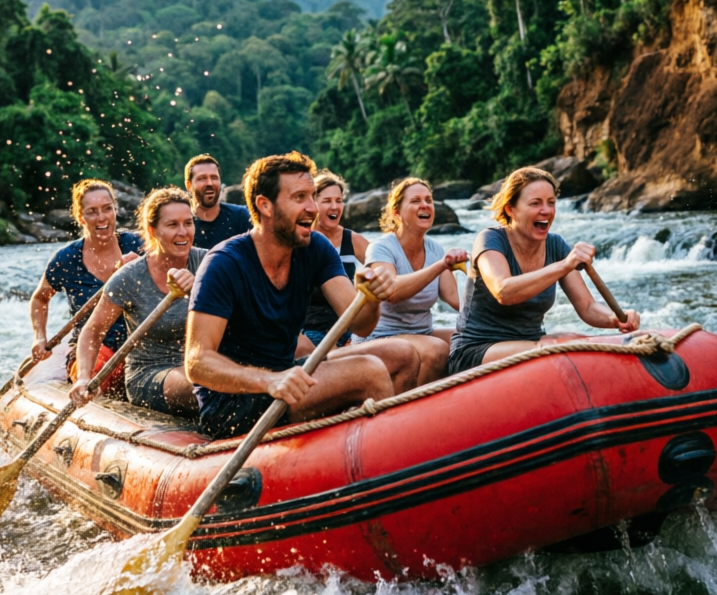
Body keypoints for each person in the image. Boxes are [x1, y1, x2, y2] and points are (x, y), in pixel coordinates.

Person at [185, 151, 420, 439]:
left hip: (287, 375)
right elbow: (197, 363)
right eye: (299, 198)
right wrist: (270, 381)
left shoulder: (315, 247)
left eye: (312, 196)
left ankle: (383, 446)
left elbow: (361, 325)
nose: (313, 208)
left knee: (402, 354)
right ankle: (385, 458)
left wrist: (369, 296)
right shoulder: (223, 263)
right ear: (265, 206)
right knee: (368, 371)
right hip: (234, 401)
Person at [448, 167, 641, 373]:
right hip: (475, 350)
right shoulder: (490, 239)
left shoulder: (556, 244)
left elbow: (586, 306)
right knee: (555, 350)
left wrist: (615, 318)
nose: (547, 211)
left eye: (551, 203)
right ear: (510, 209)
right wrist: (564, 265)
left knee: (577, 341)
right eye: (535, 203)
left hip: (530, 342)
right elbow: (503, 291)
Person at [69, 187, 206, 415]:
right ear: (152, 231)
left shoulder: (210, 262)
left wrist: (200, 289)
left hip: (204, 364)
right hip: (151, 373)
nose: (183, 232)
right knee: (203, 385)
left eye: (188, 223)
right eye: (172, 225)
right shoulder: (129, 277)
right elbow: (93, 330)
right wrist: (83, 376)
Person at [29, 179, 142, 391]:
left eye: (107, 209)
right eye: (92, 211)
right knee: (97, 372)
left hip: (140, 343)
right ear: (80, 217)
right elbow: (40, 297)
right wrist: (40, 337)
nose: (102, 218)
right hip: (93, 347)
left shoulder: (139, 245)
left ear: (115, 210)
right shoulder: (66, 259)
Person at [356, 178, 468, 385]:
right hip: (381, 338)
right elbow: (393, 291)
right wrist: (441, 265)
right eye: (415, 201)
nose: (425, 205)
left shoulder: (435, 249)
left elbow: (456, 300)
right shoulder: (381, 248)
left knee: (470, 339)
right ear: (396, 212)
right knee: (436, 349)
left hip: (422, 332)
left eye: (429, 200)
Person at [302, 169, 367, 349]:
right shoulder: (302, 240)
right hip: (310, 332)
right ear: (313, 203)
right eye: (327, 201)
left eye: (339, 201)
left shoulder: (352, 240)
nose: (335, 207)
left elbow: (385, 267)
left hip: (350, 331)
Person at [185, 153, 252, 249]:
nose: (209, 183)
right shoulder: (182, 224)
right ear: (189, 185)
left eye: (214, 178)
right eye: (202, 178)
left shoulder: (241, 217)